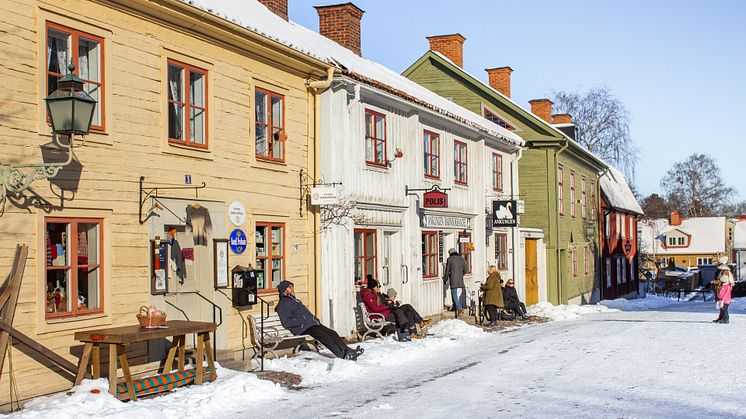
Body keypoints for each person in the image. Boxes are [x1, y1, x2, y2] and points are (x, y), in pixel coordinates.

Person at [276, 280, 363, 360]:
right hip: (302, 328)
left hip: (310, 324)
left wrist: (313, 319)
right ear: (284, 290)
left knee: (332, 333)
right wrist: (303, 321)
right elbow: (286, 323)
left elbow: (304, 313)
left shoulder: (294, 300)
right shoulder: (283, 305)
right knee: (324, 337)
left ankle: (348, 351)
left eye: (292, 286)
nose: (292, 289)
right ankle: (342, 355)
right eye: (289, 287)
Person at [444, 248, 467, 317]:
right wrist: (461, 274)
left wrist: (445, 278)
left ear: (450, 253)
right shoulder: (461, 259)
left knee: (454, 294)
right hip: (460, 279)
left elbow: (447, 270)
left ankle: (459, 309)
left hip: (453, 280)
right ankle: (458, 306)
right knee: (460, 294)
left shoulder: (450, 259)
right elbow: (465, 269)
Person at [714, 258, 734, 324]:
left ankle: (725, 319)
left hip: (723, 290)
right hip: (721, 289)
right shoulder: (722, 270)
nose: (717, 263)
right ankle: (721, 317)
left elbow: (723, 280)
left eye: (719, 262)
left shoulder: (725, 271)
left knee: (724, 307)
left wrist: (713, 282)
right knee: (721, 305)